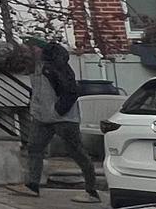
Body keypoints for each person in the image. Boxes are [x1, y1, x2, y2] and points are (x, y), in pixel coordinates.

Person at [22, 38, 99, 200]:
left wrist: (58, 110)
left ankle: (91, 190)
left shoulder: (55, 67)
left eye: (29, 49)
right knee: (34, 148)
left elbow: (71, 90)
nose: (26, 53)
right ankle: (33, 185)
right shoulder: (36, 67)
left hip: (63, 118)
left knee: (76, 151)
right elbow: (38, 91)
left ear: (38, 50)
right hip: (42, 117)